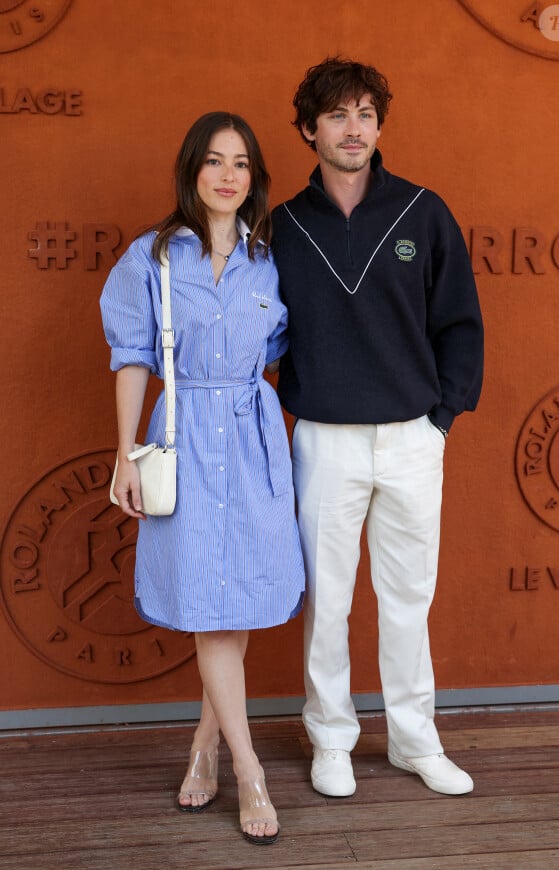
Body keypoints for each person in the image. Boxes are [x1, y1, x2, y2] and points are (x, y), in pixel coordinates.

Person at [271, 58, 484, 799]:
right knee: (327, 600)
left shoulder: (423, 211)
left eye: (365, 113)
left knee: (407, 598)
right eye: (337, 115)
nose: (353, 127)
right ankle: (331, 738)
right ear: (309, 129)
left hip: (410, 438)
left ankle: (414, 741)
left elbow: (460, 322)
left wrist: (441, 420)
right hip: (324, 439)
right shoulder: (284, 225)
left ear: (380, 125)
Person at [100, 112, 305, 845]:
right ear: (192, 171)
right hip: (184, 438)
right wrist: (125, 452)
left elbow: (283, 345)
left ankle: (205, 744)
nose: (228, 175)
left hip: (253, 440)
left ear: (253, 177)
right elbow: (131, 356)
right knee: (211, 606)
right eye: (214, 161)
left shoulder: (270, 258)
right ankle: (248, 769)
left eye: (241, 163)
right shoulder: (150, 259)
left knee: (237, 602)